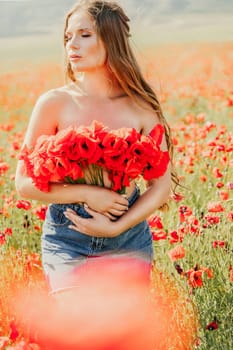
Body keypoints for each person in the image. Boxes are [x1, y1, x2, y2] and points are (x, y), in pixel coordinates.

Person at [15, 0, 176, 294]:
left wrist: (117, 226)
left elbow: (160, 185)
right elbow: (23, 182)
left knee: (124, 336)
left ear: (111, 39)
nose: (71, 45)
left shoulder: (141, 107)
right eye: (67, 37)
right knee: (80, 332)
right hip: (68, 238)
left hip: (128, 239)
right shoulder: (54, 103)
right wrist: (88, 194)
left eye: (84, 35)